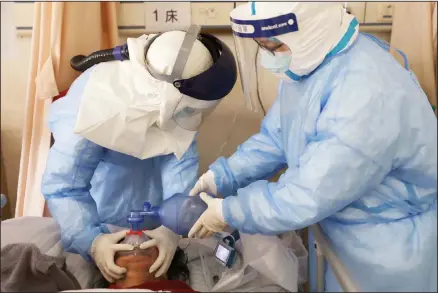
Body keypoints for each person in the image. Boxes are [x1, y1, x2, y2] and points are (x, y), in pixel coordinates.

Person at [188, 2, 437, 292]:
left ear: (311, 28)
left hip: (386, 253)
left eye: (273, 44)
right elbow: (277, 137)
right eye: (260, 45)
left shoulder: (367, 93)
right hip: (340, 232)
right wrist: (222, 177)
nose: (268, 54)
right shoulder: (311, 65)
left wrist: (230, 211)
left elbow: (306, 194)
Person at [41, 25, 237, 286]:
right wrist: (91, 241)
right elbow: (63, 186)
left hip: (157, 229)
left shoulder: (180, 107)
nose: (193, 116)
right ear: (168, 96)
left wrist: (170, 230)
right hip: (99, 221)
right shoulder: (92, 105)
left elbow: (180, 173)